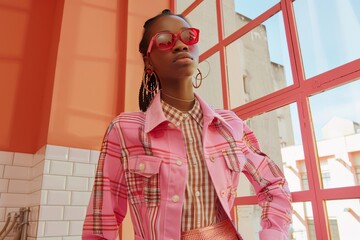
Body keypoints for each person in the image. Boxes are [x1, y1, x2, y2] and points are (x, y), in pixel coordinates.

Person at [82, 9, 292, 240]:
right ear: (148, 60)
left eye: (188, 37)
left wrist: (273, 233)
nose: (180, 45)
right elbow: (101, 220)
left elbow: (274, 184)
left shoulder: (231, 125)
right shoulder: (124, 130)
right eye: (164, 40)